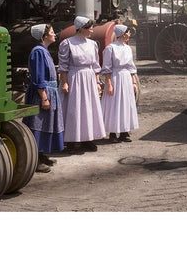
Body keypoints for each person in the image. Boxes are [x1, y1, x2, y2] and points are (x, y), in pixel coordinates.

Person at [58, 16, 106, 151]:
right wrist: (64, 82)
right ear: (82, 28)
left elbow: (96, 66)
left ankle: (87, 139)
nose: (92, 30)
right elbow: (63, 66)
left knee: (89, 109)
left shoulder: (93, 44)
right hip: (75, 78)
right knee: (74, 109)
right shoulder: (68, 43)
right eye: (90, 27)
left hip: (89, 79)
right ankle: (71, 141)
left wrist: (97, 83)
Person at [22, 23, 64, 173]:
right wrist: (44, 98)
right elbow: (38, 76)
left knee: (47, 124)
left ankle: (42, 154)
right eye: (52, 32)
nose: (54, 34)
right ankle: (36, 160)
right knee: (37, 124)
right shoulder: (38, 52)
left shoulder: (44, 51)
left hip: (50, 91)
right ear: (44, 36)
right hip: (42, 93)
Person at [101, 24, 139, 143]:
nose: (129, 34)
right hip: (115, 77)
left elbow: (131, 67)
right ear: (122, 33)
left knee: (126, 104)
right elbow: (106, 67)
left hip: (126, 78)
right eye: (128, 32)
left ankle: (124, 132)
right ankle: (113, 133)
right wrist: (109, 83)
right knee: (114, 104)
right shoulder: (110, 48)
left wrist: (134, 83)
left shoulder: (127, 48)